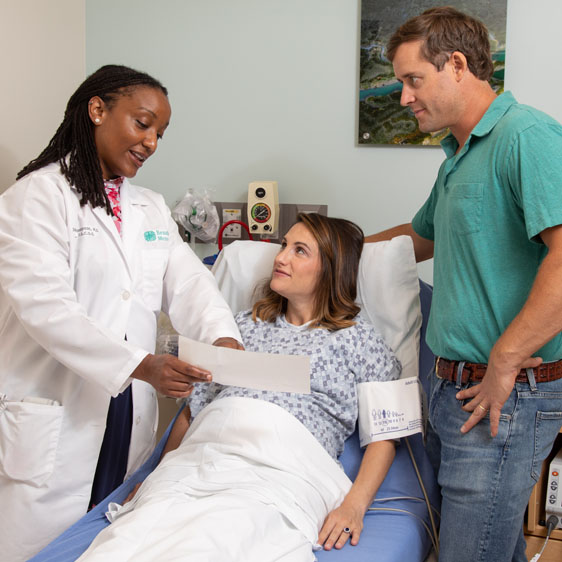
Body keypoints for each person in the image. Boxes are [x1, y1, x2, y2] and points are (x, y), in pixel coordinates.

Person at [0, 64, 242, 561]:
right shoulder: (37, 197)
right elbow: (46, 310)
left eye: (160, 133)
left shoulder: (150, 209)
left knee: (110, 542)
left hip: (127, 409)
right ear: (97, 110)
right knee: (40, 548)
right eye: (142, 123)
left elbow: (190, 282)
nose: (151, 141)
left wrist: (222, 338)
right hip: (57, 412)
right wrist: (141, 364)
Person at [76, 213, 405, 562]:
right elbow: (193, 411)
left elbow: (385, 436)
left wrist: (353, 506)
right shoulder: (241, 326)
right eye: (283, 246)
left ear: (331, 270)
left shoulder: (359, 339)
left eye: (299, 251)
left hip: (283, 467)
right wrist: (159, 475)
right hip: (206, 455)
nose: (280, 258)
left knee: (233, 535)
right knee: (136, 534)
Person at [366, 7, 562, 562]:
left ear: (456, 64)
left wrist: (504, 359)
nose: (403, 98)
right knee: (488, 548)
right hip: (453, 389)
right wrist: (330, 247)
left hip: (504, 396)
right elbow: (418, 237)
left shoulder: (528, 139)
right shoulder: (458, 154)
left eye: (412, 80)